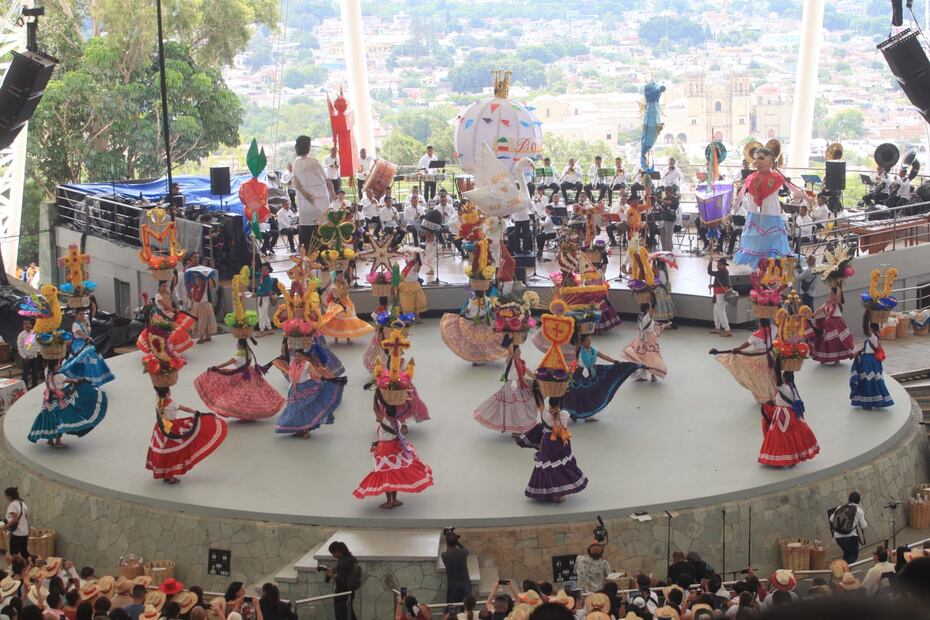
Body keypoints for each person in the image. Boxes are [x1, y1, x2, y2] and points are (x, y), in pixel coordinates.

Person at [353, 393, 433, 509]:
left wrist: (376, 394)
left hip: (385, 450)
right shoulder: (397, 422)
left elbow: (375, 409)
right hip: (395, 447)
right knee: (394, 473)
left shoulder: (385, 421)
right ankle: (394, 500)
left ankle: (389, 502)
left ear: (386, 412)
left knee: (386, 474)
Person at [733, 148, 804, 265]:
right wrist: (736, 205)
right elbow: (742, 191)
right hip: (755, 215)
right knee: (757, 242)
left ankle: (772, 265)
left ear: (771, 162)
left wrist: (807, 198)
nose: (757, 162)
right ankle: (762, 266)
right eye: (756, 159)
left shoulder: (776, 177)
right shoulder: (751, 177)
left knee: (772, 241)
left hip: (771, 215)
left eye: (761, 158)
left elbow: (793, 189)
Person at [146, 387, 227, 484]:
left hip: (160, 429)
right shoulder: (172, 404)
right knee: (174, 451)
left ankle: (165, 473)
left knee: (162, 450)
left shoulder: (158, 402)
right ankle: (169, 475)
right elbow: (184, 408)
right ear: (167, 394)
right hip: (172, 428)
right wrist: (196, 412)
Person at [194, 339, 285, 421]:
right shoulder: (248, 351)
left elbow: (228, 363)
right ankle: (251, 413)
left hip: (243, 375)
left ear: (241, 345)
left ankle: (246, 414)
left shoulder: (239, 354)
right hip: (251, 372)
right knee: (254, 393)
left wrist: (216, 367)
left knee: (242, 395)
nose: (236, 345)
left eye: (237, 344)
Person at [28, 357, 108, 448]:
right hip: (59, 400)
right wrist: (81, 380)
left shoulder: (47, 371)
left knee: (49, 417)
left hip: (48, 399)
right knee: (60, 420)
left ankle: (50, 440)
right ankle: (57, 442)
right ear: (53, 366)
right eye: (58, 364)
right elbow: (73, 381)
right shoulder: (60, 376)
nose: (59, 365)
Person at [521, 398, 587, 503]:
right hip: (562, 441)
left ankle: (552, 493)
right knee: (562, 464)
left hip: (549, 442)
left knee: (549, 465)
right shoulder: (565, 414)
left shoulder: (545, 415)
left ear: (549, 404)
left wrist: (538, 393)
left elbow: (540, 404)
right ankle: (559, 494)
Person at [564, 333, 640, 420]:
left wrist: (615, 361)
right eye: (587, 340)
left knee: (589, 394)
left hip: (591, 373)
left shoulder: (593, 350)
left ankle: (587, 415)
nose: (589, 342)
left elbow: (604, 356)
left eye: (590, 340)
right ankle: (573, 413)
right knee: (575, 393)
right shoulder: (579, 349)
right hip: (578, 374)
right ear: (582, 342)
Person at [274, 347, 345, 438]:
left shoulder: (307, 364)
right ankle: (300, 429)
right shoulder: (292, 363)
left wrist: (325, 379)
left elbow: (315, 373)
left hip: (304, 389)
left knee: (304, 410)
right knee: (295, 411)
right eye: (295, 356)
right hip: (294, 390)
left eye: (299, 356)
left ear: (303, 356)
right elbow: (290, 374)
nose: (297, 358)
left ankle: (306, 431)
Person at [758, 367, 820, 467]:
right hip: (793, 415)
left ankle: (782, 458)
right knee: (793, 436)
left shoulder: (783, 387)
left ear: (784, 379)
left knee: (779, 437)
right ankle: (793, 458)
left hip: (782, 415)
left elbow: (777, 375)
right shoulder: (793, 388)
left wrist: (777, 362)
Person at [473, 344, 541, 434]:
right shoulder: (510, 361)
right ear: (513, 352)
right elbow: (510, 351)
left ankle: (515, 428)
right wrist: (512, 338)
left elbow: (529, 372)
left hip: (520, 386)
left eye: (520, 351)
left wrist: (538, 377)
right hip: (511, 388)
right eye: (517, 351)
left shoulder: (521, 362)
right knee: (514, 408)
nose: (519, 352)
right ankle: (515, 430)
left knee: (518, 408)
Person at [711, 318, 777, 404]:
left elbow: (746, 344)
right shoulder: (773, 329)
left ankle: (764, 398)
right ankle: (773, 395)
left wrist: (737, 349)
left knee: (759, 379)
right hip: (769, 356)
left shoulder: (756, 335)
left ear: (760, 324)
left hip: (758, 359)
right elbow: (775, 325)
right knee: (769, 376)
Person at [292, 135, 334, 252]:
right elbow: (327, 180)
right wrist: (333, 194)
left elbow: (296, 183)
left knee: (306, 231)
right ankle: (323, 256)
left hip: (304, 203)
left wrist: (305, 194)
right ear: (308, 147)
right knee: (321, 229)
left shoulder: (296, 163)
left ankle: (307, 258)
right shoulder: (314, 162)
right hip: (320, 202)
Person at [849, 315, 894, 409]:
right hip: (871, 360)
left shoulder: (872, 336)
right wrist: (859, 352)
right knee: (873, 381)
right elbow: (867, 347)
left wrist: (866, 316)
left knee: (868, 381)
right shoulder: (875, 336)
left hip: (869, 361)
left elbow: (866, 327)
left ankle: (868, 403)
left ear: (872, 329)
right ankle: (875, 401)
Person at [64, 308, 115, 388]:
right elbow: (83, 335)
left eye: (83, 314)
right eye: (80, 314)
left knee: (96, 357)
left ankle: (93, 380)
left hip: (87, 342)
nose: (82, 316)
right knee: (87, 357)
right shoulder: (75, 325)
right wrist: (87, 339)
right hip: (79, 344)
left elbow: (88, 333)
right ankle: (84, 379)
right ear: (76, 315)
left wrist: (87, 326)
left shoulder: (85, 323)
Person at [807, 286, 856, 365]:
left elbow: (839, 293)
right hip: (827, 324)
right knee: (825, 342)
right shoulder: (827, 303)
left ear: (836, 295)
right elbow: (820, 309)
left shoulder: (837, 302)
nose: (829, 294)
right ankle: (825, 358)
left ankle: (837, 359)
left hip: (837, 324)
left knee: (836, 341)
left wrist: (838, 283)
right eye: (830, 293)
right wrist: (813, 315)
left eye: (831, 293)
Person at [622, 303, 668, 383]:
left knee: (643, 357)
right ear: (648, 309)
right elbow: (652, 312)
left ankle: (642, 375)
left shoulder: (640, 315)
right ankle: (653, 375)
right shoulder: (647, 316)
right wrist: (653, 300)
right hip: (649, 339)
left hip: (640, 339)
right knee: (652, 356)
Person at [324, 542, 360, 620]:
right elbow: (347, 572)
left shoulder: (343, 562)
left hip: (342, 593)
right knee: (349, 613)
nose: (333, 556)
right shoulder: (351, 558)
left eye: (333, 553)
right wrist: (336, 569)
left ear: (337, 551)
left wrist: (331, 575)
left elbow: (341, 580)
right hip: (350, 591)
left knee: (342, 615)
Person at [830, 492, 868, 563]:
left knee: (847, 554)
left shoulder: (840, 507)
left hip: (838, 537)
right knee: (853, 555)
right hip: (850, 537)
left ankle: (842, 568)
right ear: (858, 501)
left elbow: (831, 519)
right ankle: (846, 569)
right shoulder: (859, 510)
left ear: (849, 499)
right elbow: (864, 525)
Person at [183, 266, 217, 344]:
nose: (197, 281)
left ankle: (207, 336)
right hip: (197, 306)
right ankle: (202, 336)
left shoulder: (206, 286)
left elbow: (212, 285)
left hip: (205, 305)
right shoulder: (194, 288)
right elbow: (192, 297)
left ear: (203, 280)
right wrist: (191, 306)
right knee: (199, 322)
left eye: (199, 280)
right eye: (196, 280)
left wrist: (208, 276)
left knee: (206, 321)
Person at [440, 532, 471, 604]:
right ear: (456, 542)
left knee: (451, 606)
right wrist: (457, 542)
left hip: (453, 586)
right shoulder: (464, 552)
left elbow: (448, 550)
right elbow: (463, 548)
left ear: (447, 543)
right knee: (467, 606)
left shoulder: (444, 555)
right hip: (465, 584)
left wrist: (451, 540)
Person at [707, 256, 732, 337]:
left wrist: (710, 262)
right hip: (719, 294)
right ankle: (717, 328)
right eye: (718, 264)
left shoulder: (722, 272)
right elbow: (722, 283)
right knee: (716, 311)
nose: (718, 265)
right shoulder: (723, 271)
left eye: (719, 264)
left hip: (721, 295)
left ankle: (727, 330)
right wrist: (713, 285)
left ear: (723, 265)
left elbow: (710, 272)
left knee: (721, 312)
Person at [2, 487, 29, 558]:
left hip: (17, 533)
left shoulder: (13, 505)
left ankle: (37, 560)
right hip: (24, 532)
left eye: (6, 496)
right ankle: (36, 561)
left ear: (10, 496)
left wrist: (6, 526)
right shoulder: (23, 503)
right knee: (24, 553)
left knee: (14, 555)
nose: (6, 498)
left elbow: (15, 519)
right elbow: (25, 517)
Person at [17, 318, 42, 390]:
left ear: (31, 325)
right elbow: (20, 347)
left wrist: (38, 351)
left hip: (35, 356)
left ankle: (35, 387)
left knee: (35, 373)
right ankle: (24, 388)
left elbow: (39, 343)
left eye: (28, 323)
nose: (27, 325)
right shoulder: (21, 335)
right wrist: (24, 356)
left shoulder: (34, 333)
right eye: (25, 324)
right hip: (26, 358)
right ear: (23, 326)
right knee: (25, 374)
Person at [253, 263, 276, 337]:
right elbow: (252, 273)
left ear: (269, 270)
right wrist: (253, 266)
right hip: (260, 298)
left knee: (261, 315)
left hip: (264, 298)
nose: (263, 270)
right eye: (262, 268)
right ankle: (269, 329)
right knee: (264, 314)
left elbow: (266, 291)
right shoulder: (261, 276)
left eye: (266, 269)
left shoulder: (269, 280)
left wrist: (256, 294)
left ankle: (261, 330)